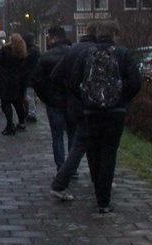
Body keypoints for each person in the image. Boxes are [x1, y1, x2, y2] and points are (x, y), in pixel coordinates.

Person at [59, 20, 142, 213]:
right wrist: (121, 98)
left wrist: (86, 99)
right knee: (109, 153)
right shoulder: (122, 54)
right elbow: (136, 82)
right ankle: (103, 200)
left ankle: (98, 190)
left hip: (91, 111)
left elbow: (72, 82)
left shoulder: (85, 54)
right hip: (115, 112)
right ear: (114, 34)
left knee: (93, 152)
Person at [48, 23, 98, 201]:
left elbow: (55, 76)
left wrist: (68, 96)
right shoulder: (98, 52)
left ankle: (63, 176)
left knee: (76, 142)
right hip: (95, 106)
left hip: (73, 105)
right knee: (86, 144)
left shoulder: (73, 51)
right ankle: (66, 180)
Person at [32, 26, 73, 170]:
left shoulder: (46, 57)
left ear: (54, 38)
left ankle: (61, 167)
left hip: (54, 102)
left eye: (49, 38)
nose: (48, 41)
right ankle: (72, 167)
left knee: (57, 136)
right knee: (73, 136)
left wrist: (46, 98)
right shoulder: (75, 54)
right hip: (72, 102)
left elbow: (37, 81)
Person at [0, 33, 29, 135]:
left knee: (5, 103)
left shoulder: (6, 51)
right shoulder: (22, 52)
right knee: (18, 103)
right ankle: (21, 122)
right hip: (18, 80)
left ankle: (9, 125)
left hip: (6, 80)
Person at [22, 32, 40, 123]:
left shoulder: (31, 51)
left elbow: (26, 63)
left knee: (29, 96)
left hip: (29, 76)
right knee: (29, 96)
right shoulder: (34, 49)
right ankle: (30, 113)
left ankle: (31, 114)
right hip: (31, 75)